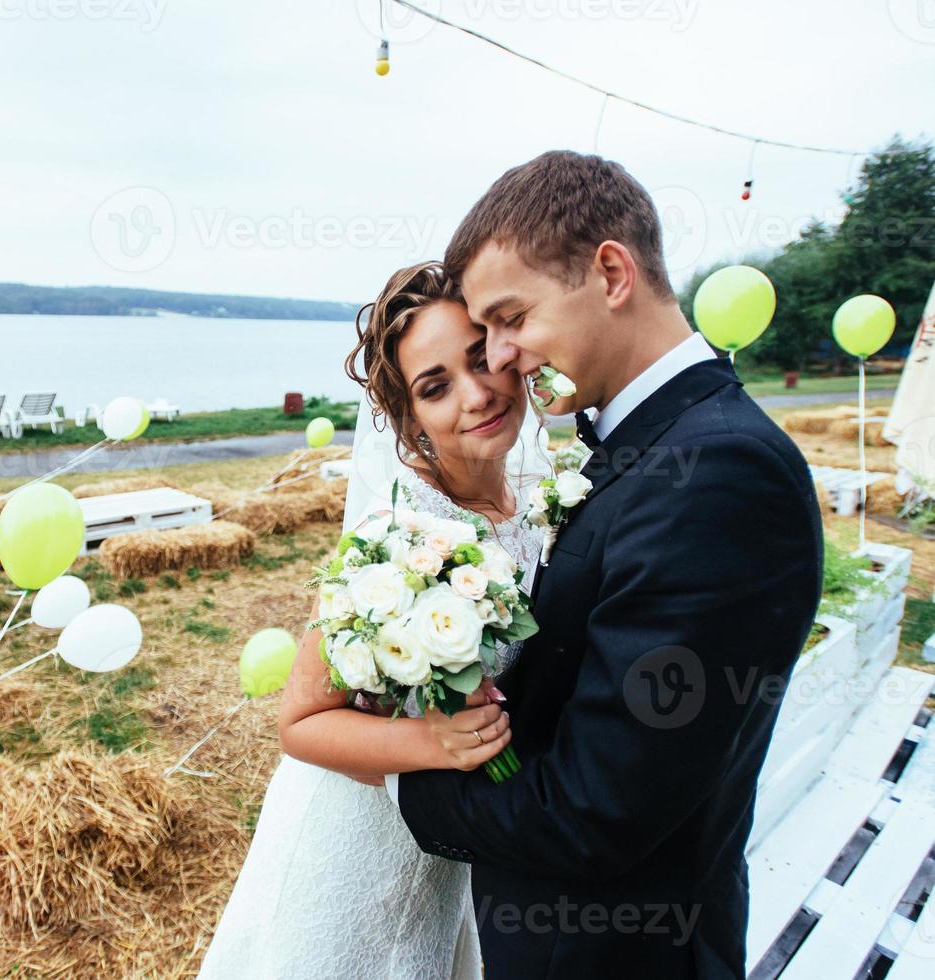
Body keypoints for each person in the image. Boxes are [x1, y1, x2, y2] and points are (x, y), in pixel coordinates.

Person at [385, 150, 823, 980]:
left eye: (511, 318)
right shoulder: (645, 442)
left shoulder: (720, 473)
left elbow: (595, 810)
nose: (504, 356)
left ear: (612, 272)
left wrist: (407, 777)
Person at [197, 261, 549, 979]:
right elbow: (299, 722)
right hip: (349, 847)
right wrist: (435, 741)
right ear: (409, 419)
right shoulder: (402, 537)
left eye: (481, 359)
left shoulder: (536, 502)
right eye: (435, 386)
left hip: (445, 850)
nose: (477, 394)